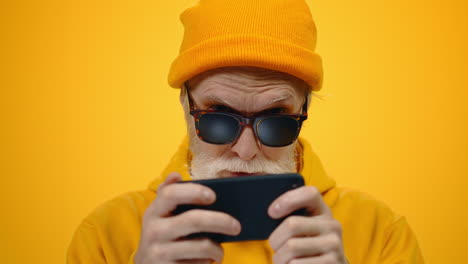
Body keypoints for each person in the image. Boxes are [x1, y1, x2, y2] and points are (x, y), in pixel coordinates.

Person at [67, 0, 425, 263]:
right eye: (217, 117)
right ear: (184, 105)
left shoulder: (381, 232)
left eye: (276, 120)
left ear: (305, 111)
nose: (246, 150)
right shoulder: (107, 234)